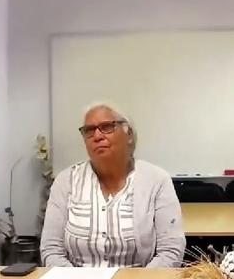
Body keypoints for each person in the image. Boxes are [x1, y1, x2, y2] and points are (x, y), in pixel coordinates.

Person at [40, 103, 186, 267]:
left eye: (107, 127)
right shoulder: (66, 181)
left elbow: (171, 251)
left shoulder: (157, 181)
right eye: (89, 130)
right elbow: (51, 250)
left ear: (128, 134)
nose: (97, 136)